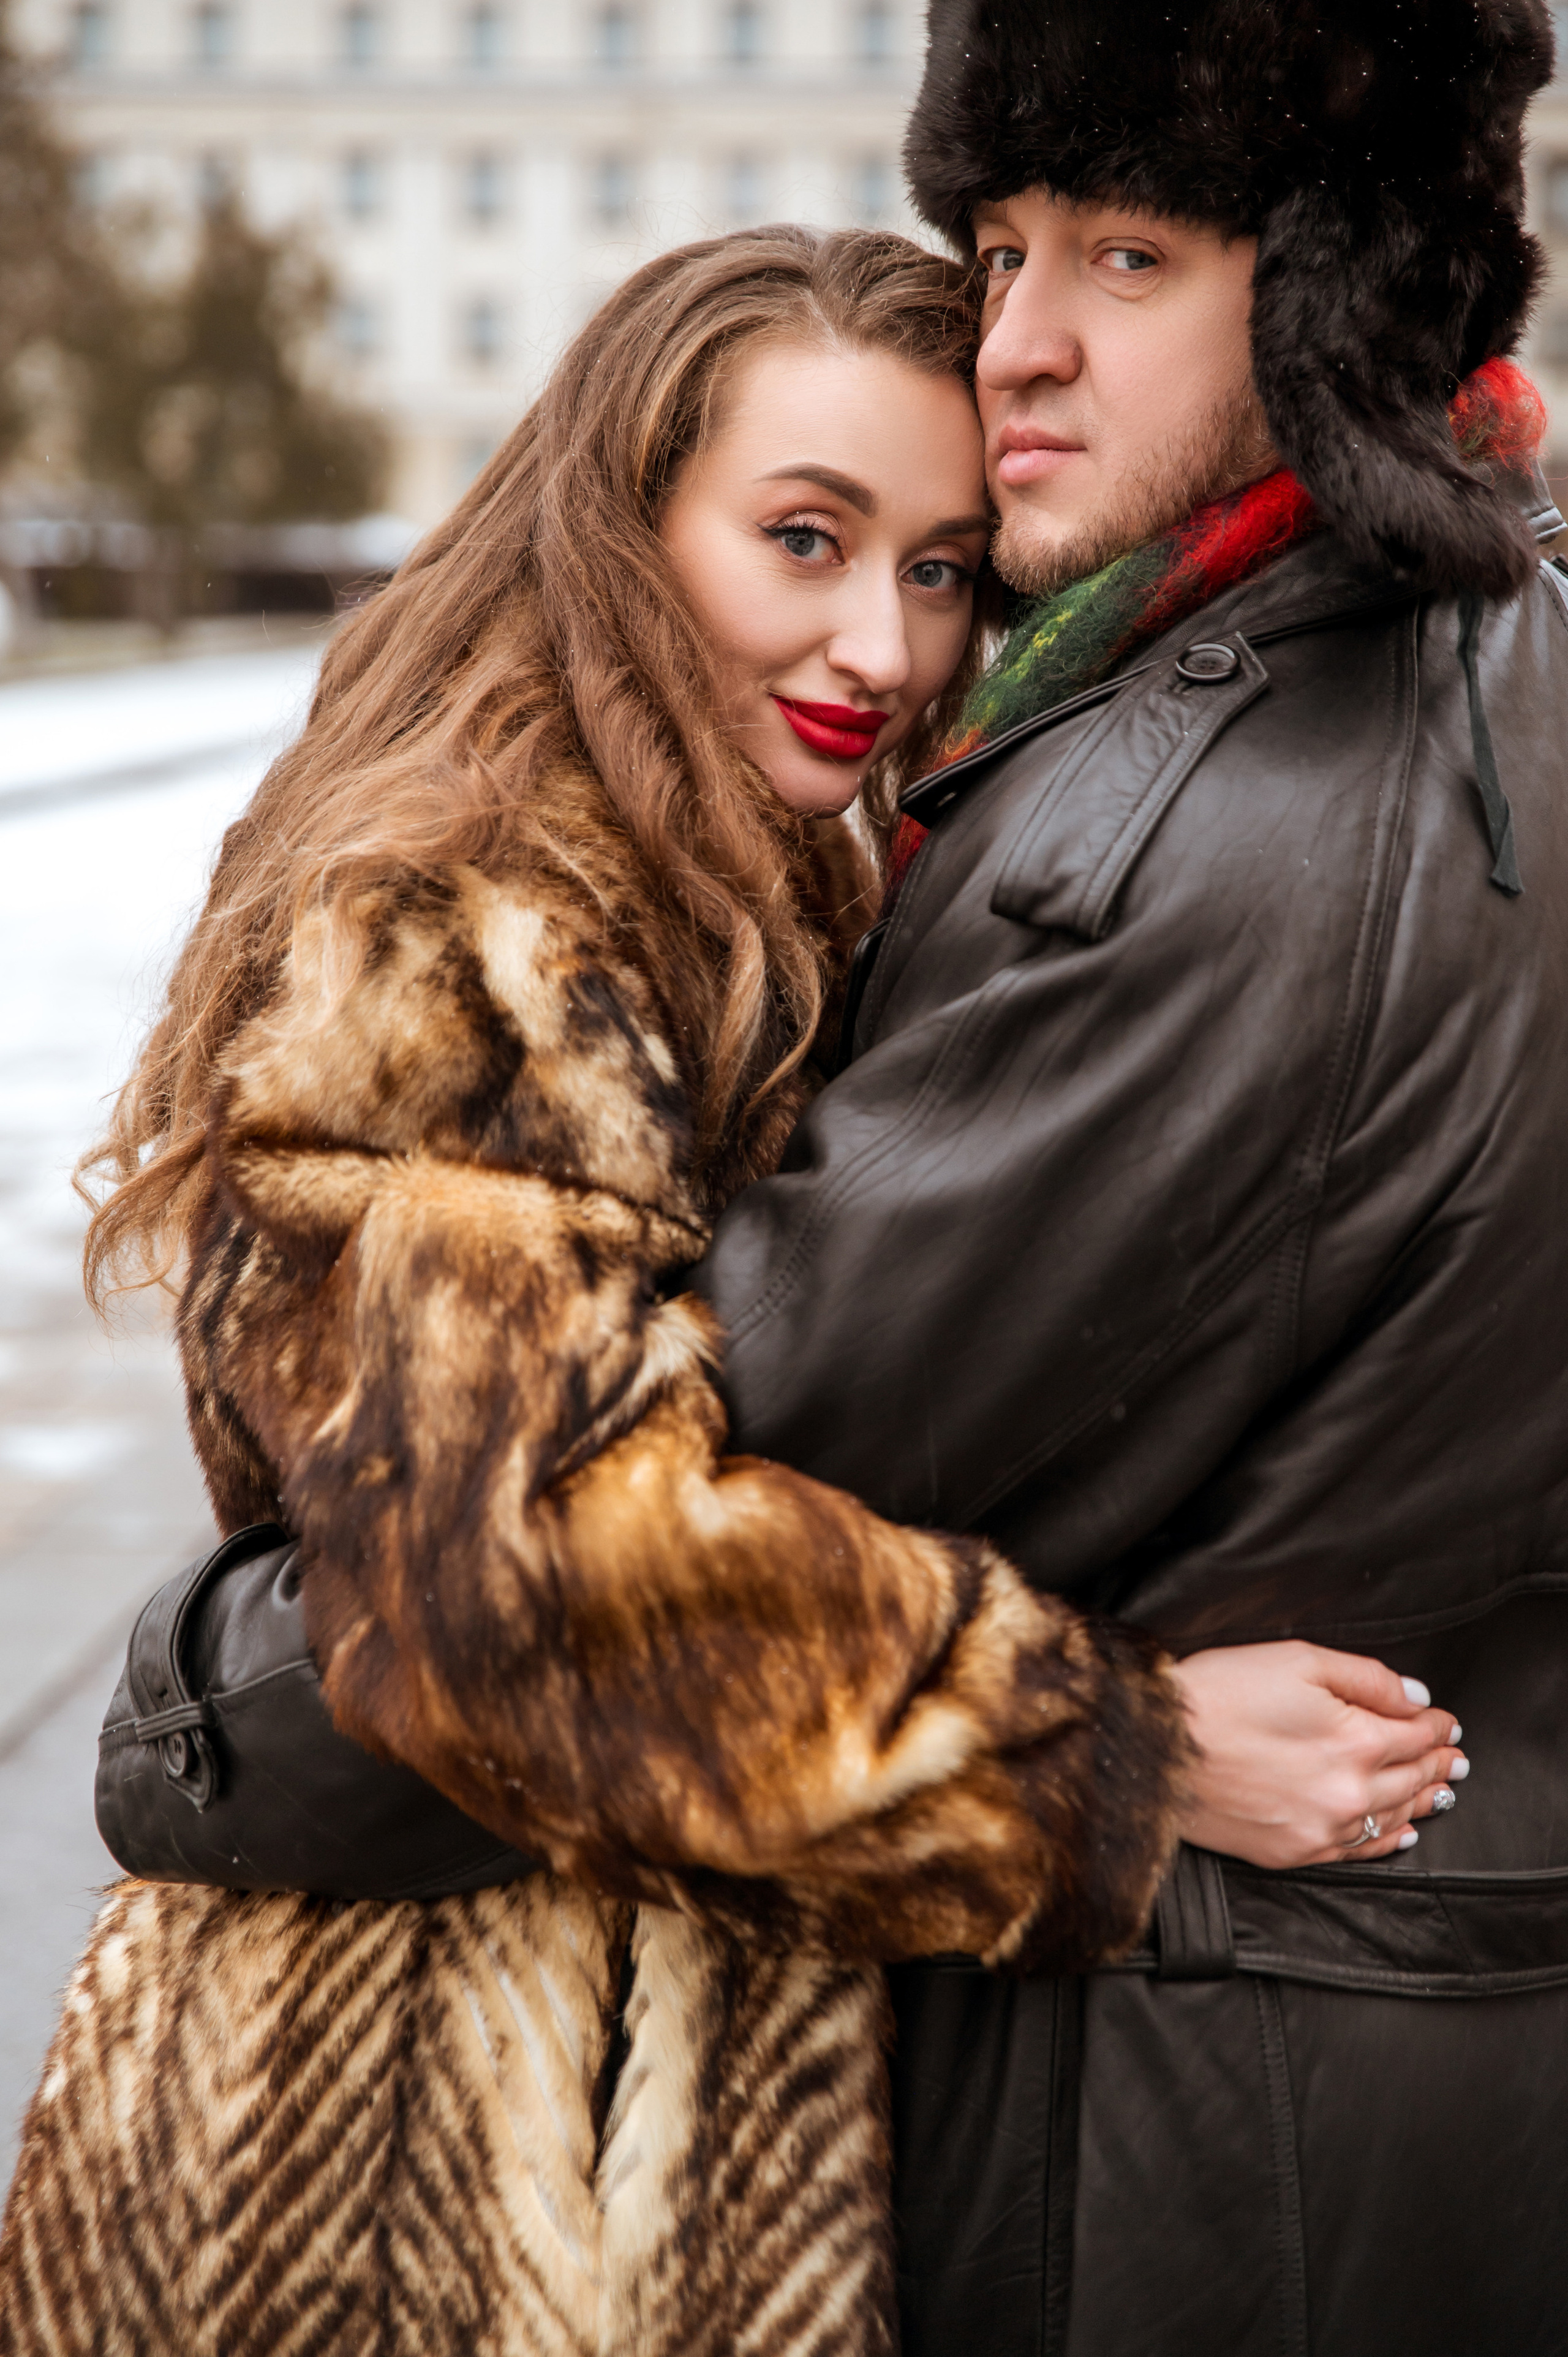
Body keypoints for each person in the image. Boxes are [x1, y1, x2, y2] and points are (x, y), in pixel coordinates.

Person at [0, 74, 1512, 2337]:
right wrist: (1122, 1753)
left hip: (613, 2055)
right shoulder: (471, 917)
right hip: (412, 2142)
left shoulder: (743, 885)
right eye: (800, 540)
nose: (883, 652)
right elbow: (523, 1592)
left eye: (932, 568)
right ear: (623, 527)